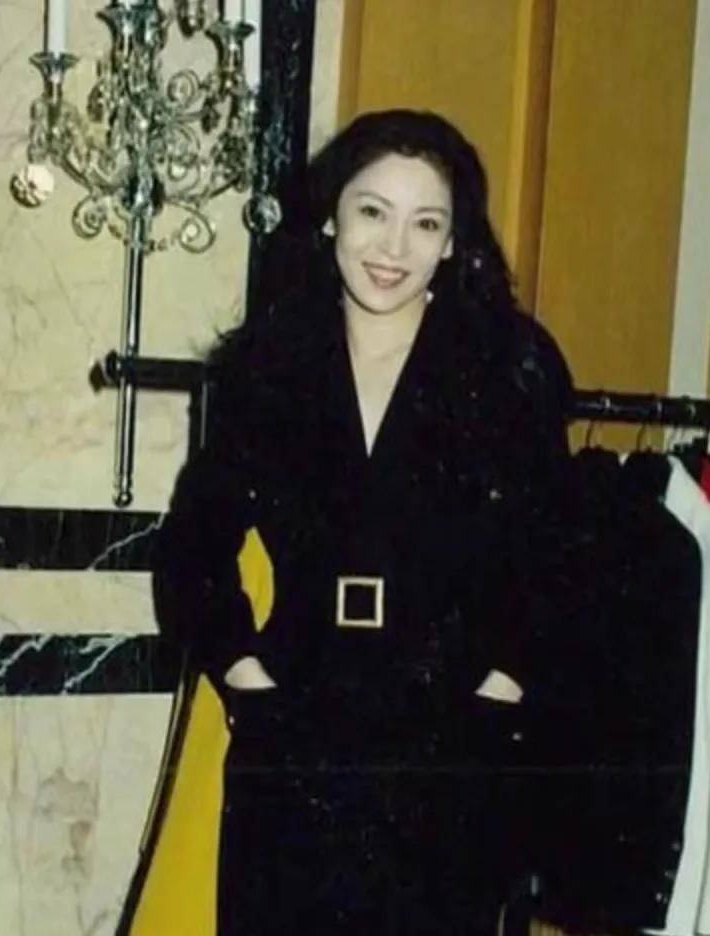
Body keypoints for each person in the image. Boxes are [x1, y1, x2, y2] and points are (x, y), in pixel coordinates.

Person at [152, 109, 573, 935]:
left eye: (426, 223)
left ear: (453, 243)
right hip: (295, 731)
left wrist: (500, 690)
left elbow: (555, 558)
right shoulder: (267, 362)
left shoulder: (510, 367)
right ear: (331, 217)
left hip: (449, 742)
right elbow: (192, 546)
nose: (394, 248)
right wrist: (246, 677)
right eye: (373, 211)